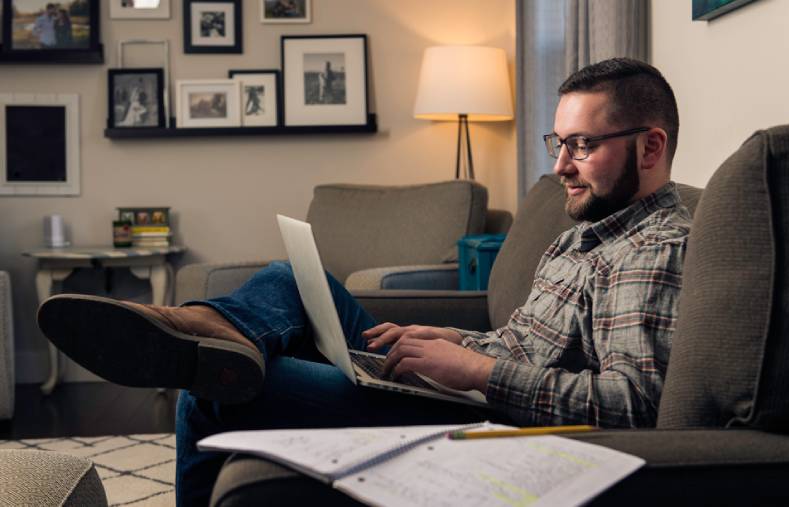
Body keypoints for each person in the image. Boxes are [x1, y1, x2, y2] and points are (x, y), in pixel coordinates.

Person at [37, 57, 689, 505]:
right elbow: (525, 339)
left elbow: (635, 404)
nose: (561, 166)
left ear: (650, 147)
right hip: (471, 386)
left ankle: (209, 340)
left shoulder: (655, 246)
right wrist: (447, 339)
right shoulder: (586, 229)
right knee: (291, 273)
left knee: (210, 385)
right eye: (559, 142)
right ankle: (206, 322)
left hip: (498, 418)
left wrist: (471, 371)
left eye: (582, 146)